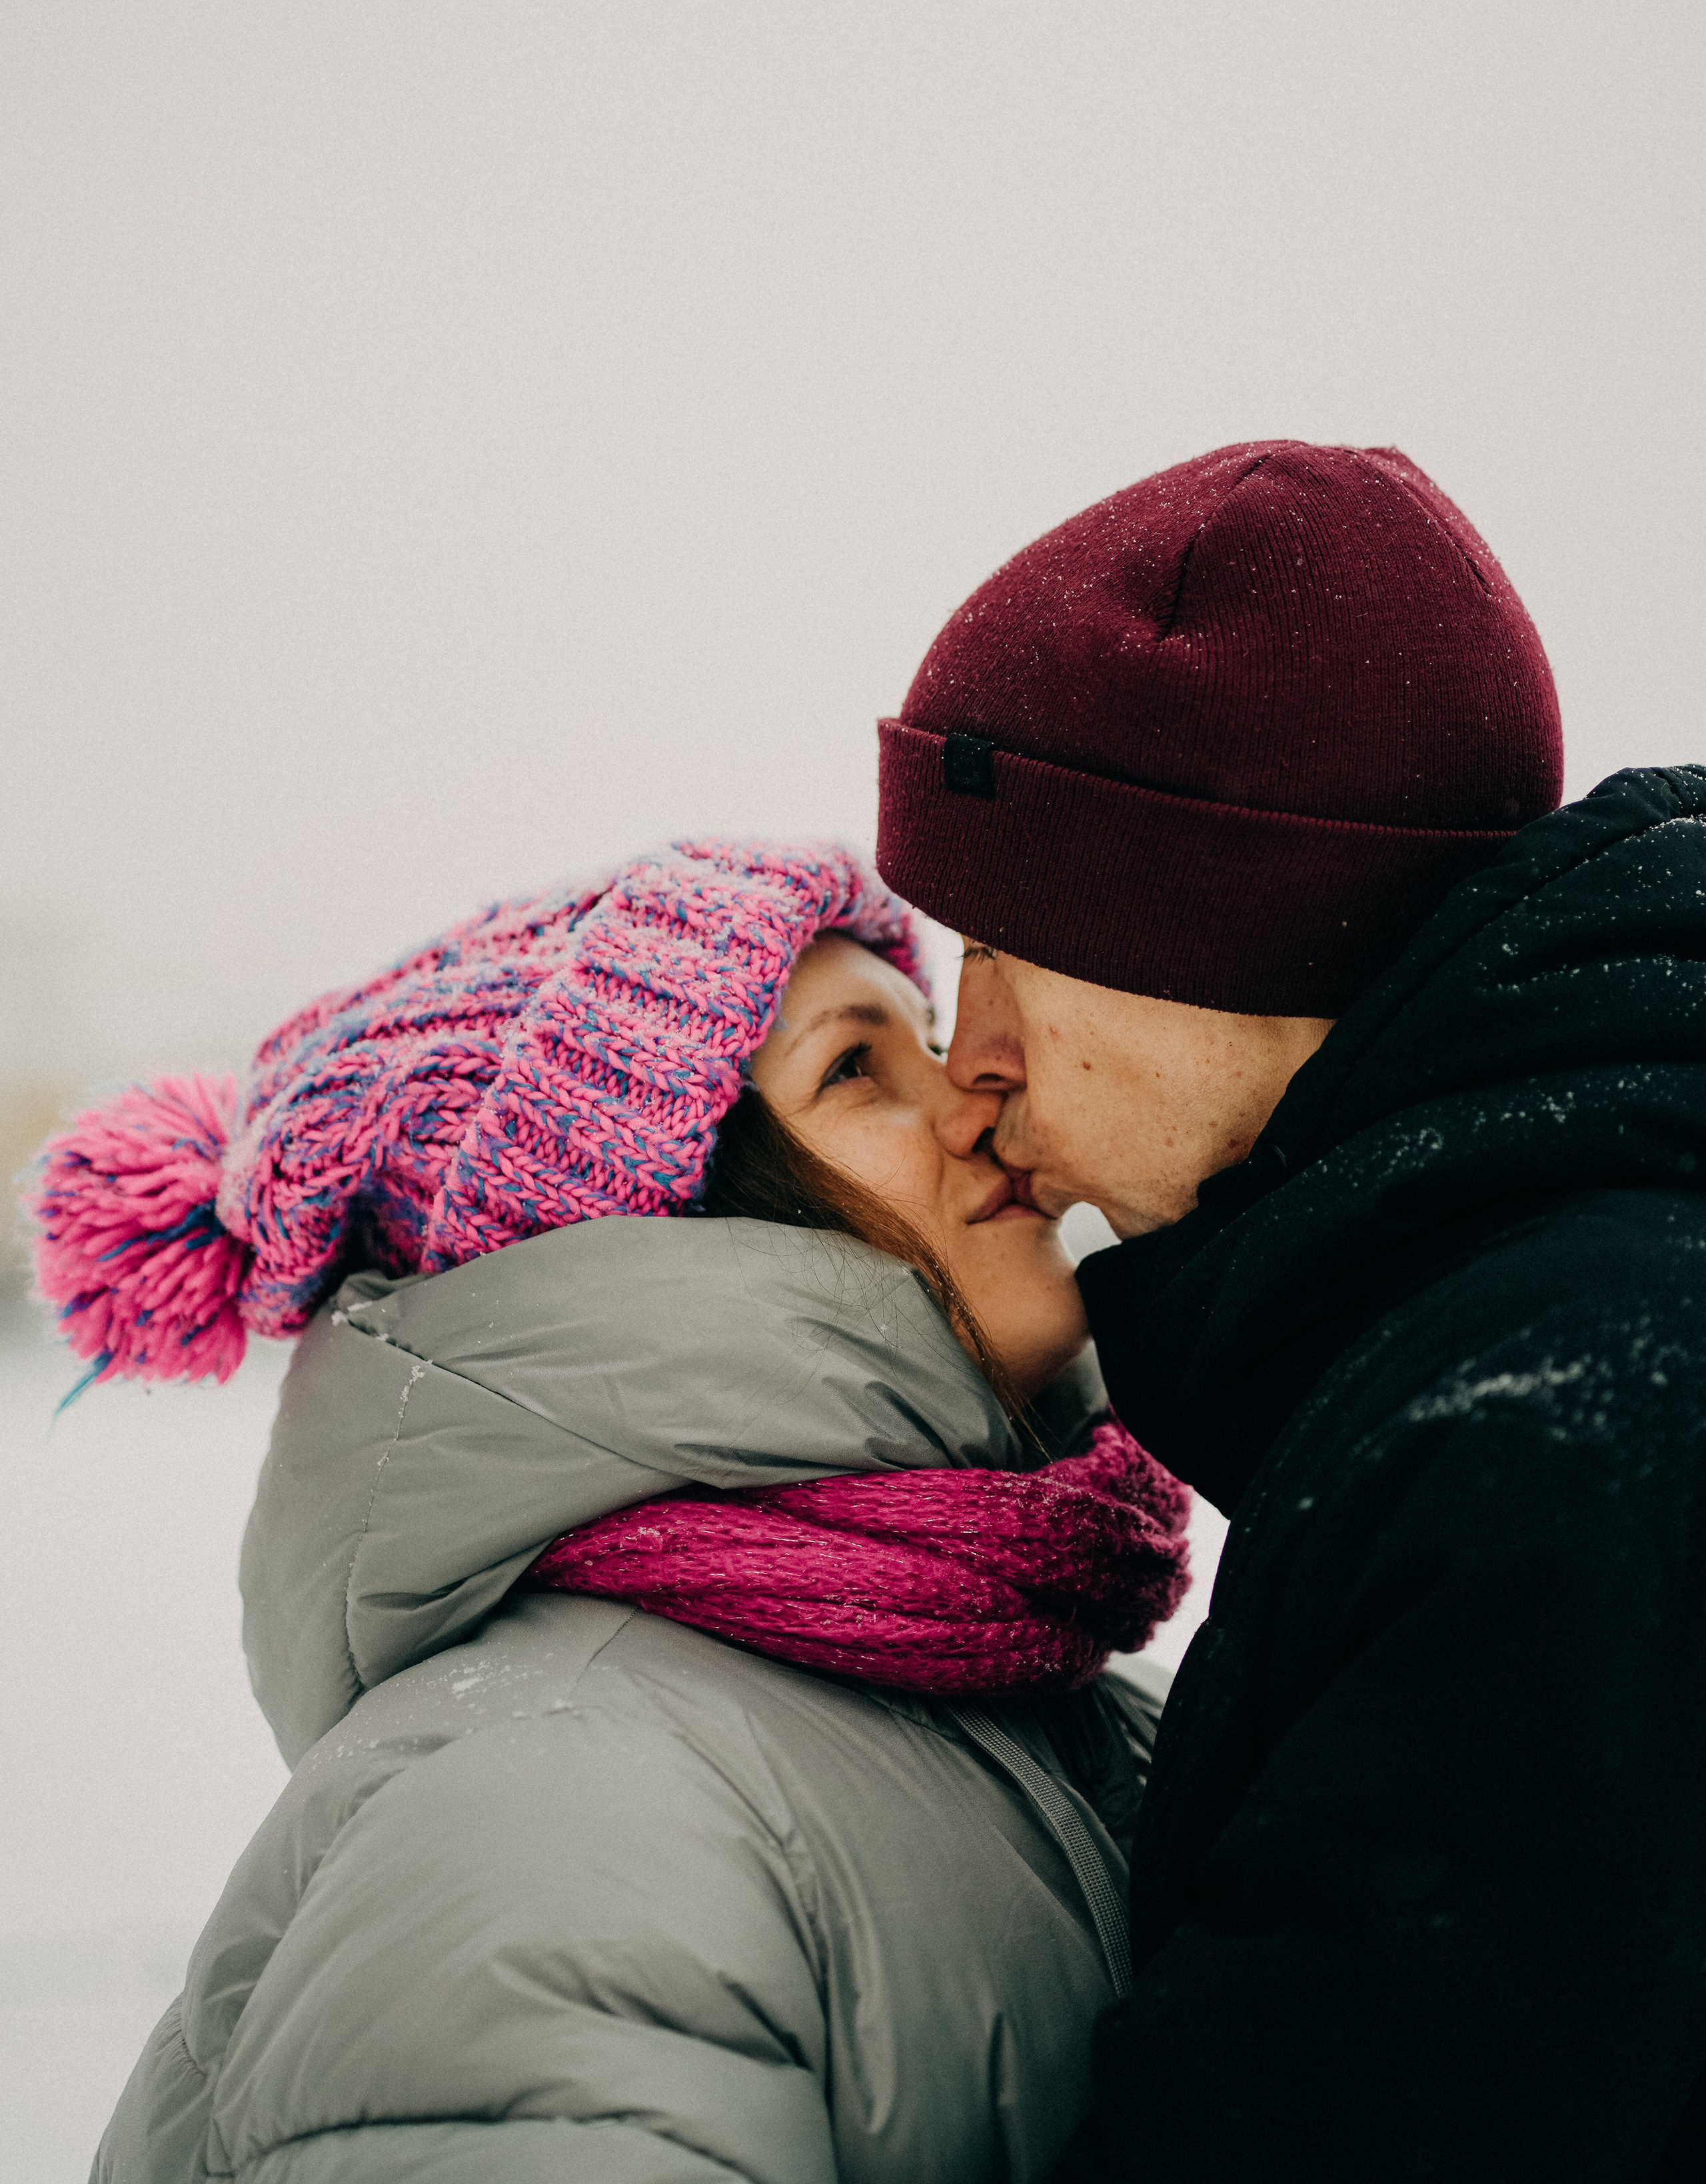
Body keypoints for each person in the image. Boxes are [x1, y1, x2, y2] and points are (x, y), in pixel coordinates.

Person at [30, 841, 1190, 2183]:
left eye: (926, 1037)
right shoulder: (555, 1814)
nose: (983, 1101)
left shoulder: (1023, 1684)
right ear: (661, 1234)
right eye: (858, 1066)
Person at [876, 438, 1706, 2181]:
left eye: (1005, 948)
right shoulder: (1548, 1325)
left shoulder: (1546, 1442)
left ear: (1213, 946)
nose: (973, 1067)